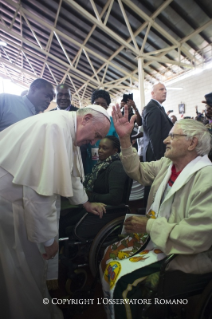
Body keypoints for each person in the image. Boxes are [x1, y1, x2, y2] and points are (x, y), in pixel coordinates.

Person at [100, 105, 212, 319]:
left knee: (123, 281)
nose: (164, 140)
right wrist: (124, 140)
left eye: (172, 136)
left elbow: (198, 236)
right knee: (108, 255)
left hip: (184, 253)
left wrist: (149, 225)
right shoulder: (167, 165)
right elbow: (137, 171)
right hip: (155, 239)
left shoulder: (207, 178)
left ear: (192, 143)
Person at [0, 105, 110, 319]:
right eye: (96, 135)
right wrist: (49, 241)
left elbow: (69, 171)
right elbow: (40, 195)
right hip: (6, 206)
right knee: (16, 273)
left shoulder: (64, 125)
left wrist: (85, 203)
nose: (94, 143)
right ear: (86, 119)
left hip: (13, 204)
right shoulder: (54, 128)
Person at [59, 136, 129, 239]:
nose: (99, 151)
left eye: (104, 148)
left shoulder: (116, 166)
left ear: (115, 151)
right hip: (92, 204)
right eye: (99, 147)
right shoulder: (101, 165)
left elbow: (115, 198)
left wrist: (90, 196)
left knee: (62, 222)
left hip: (102, 210)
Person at [84, 89, 118, 174]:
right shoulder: (85, 122)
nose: (100, 106)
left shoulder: (113, 123)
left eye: (103, 104)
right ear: (92, 105)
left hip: (108, 166)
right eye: (97, 103)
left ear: (107, 106)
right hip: (89, 165)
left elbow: (117, 146)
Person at [142, 82, 173, 162]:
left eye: (165, 89)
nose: (165, 91)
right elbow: (154, 135)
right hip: (156, 155)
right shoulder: (153, 108)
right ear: (153, 93)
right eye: (161, 89)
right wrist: (159, 158)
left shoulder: (158, 107)